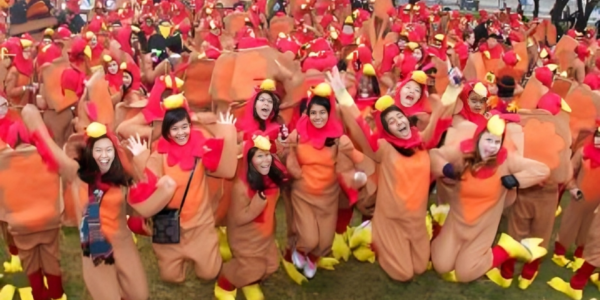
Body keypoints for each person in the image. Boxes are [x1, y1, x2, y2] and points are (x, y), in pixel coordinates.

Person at [20, 104, 149, 300]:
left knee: (139, 295)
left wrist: (141, 160)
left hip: (122, 242)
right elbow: (48, 146)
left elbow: (143, 199)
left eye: (108, 150)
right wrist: (31, 116)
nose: (104, 156)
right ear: (89, 152)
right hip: (95, 245)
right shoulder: (76, 173)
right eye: (98, 150)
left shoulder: (120, 175)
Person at [126, 93, 238, 283]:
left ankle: (205, 254)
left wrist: (227, 132)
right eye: (175, 129)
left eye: (185, 127)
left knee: (209, 273)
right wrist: (140, 156)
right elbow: (148, 181)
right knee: (171, 277)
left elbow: (224, 168)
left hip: (199, 225)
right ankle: (172, 257)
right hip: (170, 226)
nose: (181, 133)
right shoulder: (159, 153)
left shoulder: (200, 147)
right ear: (167, 132)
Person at [215, 135, 289, 300]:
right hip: (246, 238)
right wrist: (257, 206)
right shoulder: (241, 188)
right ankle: (225, 282)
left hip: (266, 235)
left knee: (271, 265)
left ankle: (248, 281)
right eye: (259, 156)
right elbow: (238, 218)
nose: (265, 161)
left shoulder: (270, 177)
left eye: (267, 155)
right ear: (249, 160)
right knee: (252, 268)